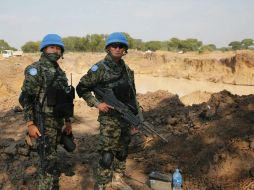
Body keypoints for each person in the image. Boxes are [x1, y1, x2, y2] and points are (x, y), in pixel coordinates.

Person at [76, 32, 138, 190]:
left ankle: (118, 179)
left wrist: (136, 118)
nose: (118, 49)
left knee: (123, 151)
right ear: (108, 48)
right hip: (109, 119)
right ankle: (103, 184)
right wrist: (97, 104)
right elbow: (82, 88)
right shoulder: (99, 68)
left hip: (125, 117)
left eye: (121, 46)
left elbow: (132, 95)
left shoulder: (127, 70)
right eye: (114, 46)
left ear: (125, 50)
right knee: (107, 154)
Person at [19, 34, 74, 190]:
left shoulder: (61, 73)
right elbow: (26, 99)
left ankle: (51, 185)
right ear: (44, 49)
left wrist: (68, 121)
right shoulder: (35, 70)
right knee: (47, 162)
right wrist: (30, 124)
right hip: (42, 123)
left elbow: (65, 101)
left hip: (57, 123)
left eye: (58, 49)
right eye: (52, 47)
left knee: (52, 157)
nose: (55, 51)